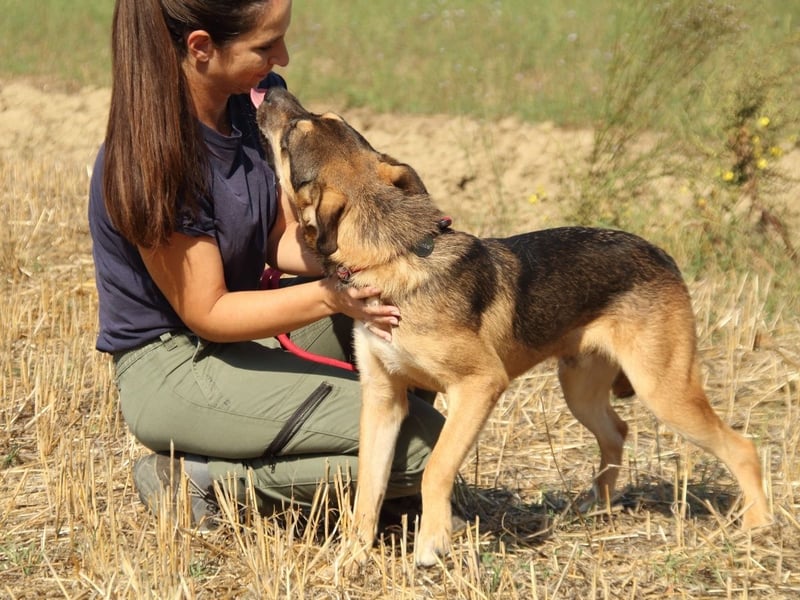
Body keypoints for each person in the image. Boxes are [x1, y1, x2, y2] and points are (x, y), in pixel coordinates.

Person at [89, 0, 445, 530]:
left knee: (410, 303)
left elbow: (278, 237)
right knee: (426, 448)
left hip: (242, 337)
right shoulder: (151, 159)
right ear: (201, 47)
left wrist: (391, 245)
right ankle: (207, 483)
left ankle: (350, 478)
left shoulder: (246, 105)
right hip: (174, 368)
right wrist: (332, 294)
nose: (283, 56)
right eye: (265, 45)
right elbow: (207, 311)